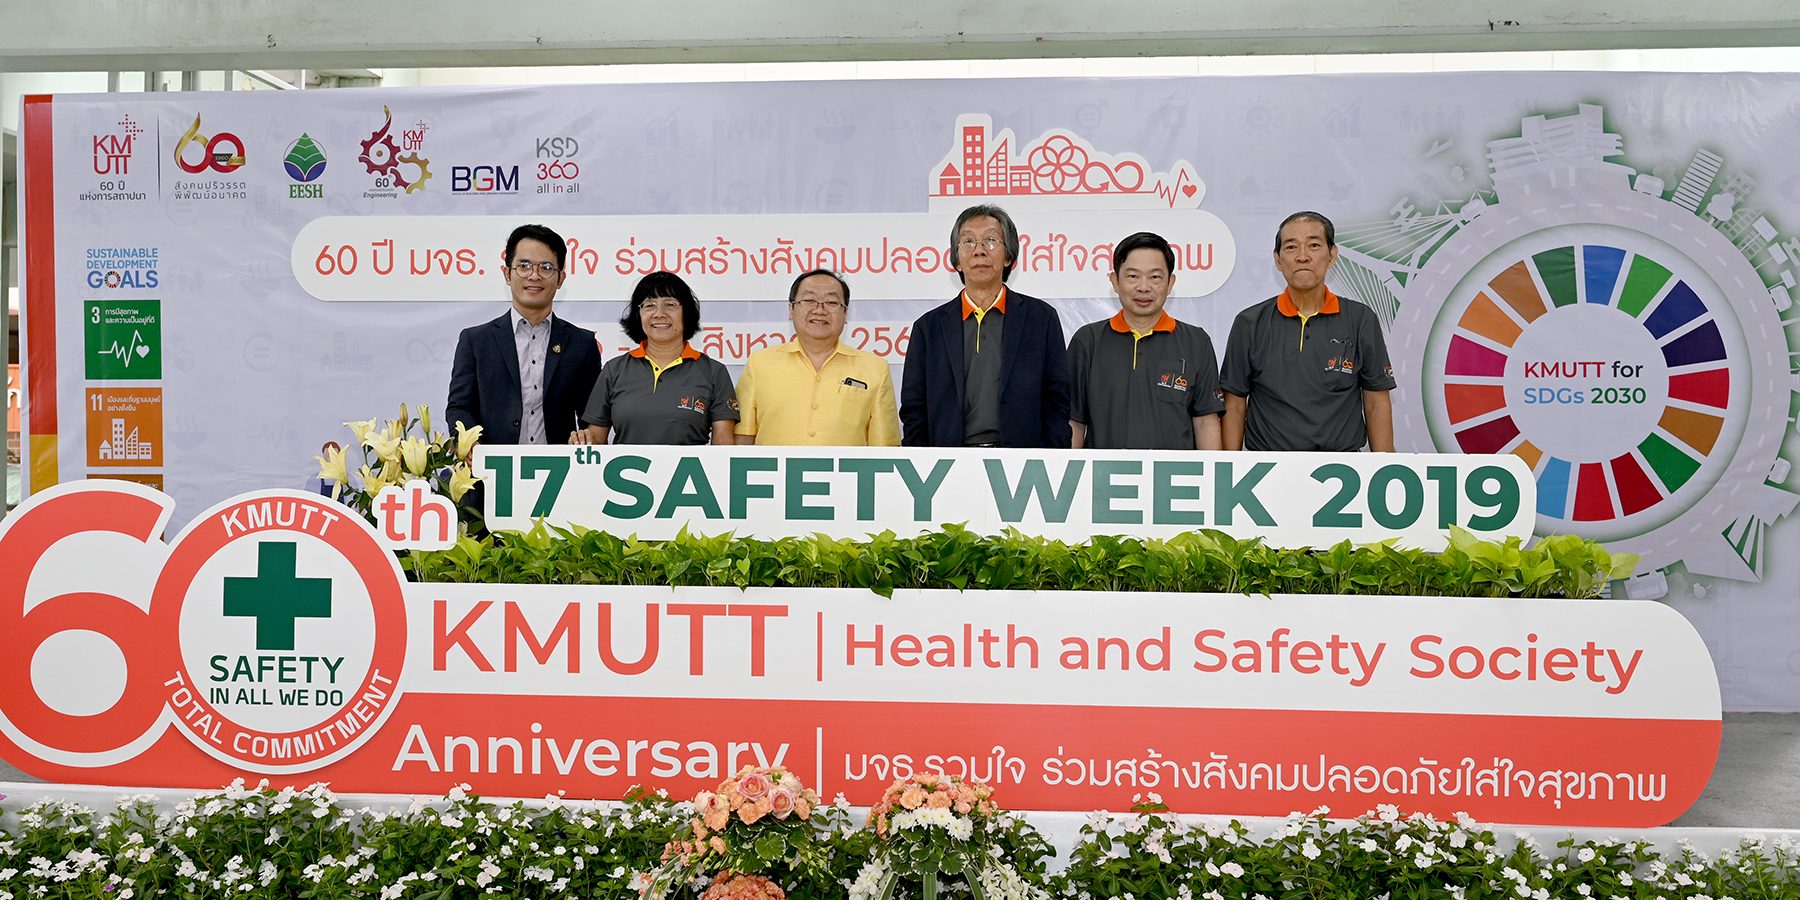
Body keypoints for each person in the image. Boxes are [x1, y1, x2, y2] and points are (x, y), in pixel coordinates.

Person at [1219, 211, 1395, 452]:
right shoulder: (1250, 323)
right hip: (1267, 466)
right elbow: (1235, 405)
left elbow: (1376, 403)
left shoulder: (1360, 319)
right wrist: (1230, 466)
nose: (1302, 256)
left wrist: (1383, 465)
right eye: (1291, 247)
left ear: (1332, 255)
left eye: (1314, 245)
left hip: (1342, 466)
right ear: (1278, 259)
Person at [899, 204, 1071, 448]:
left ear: (1009, 256)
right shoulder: (929, 328)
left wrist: (1048, 459)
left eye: (990, 240)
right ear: (957, 260)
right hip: (948, 461)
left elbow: (1057, 401)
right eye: (968, 241)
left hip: (1022, 460)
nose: (979, 251)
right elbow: (914, 409)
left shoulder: (1040, 319)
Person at [446, 223, 602, 447]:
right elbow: (459, 408)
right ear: (507, 274)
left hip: (559, 467)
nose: (534, 276)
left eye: (546, 267)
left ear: (560, 278)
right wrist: (468, 443)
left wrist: (587, 438)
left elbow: (592, 417)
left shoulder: (582, 343)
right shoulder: (476, 341)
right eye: (524, 266)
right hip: (493, 466)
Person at [1067, 232, 1223, 450]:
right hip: (1102, 472)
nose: (1143, 287)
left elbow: (1205, 422)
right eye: (1132, 276)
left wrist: (1213, 470)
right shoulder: (1088, 341)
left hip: (1174, 472)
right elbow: (1074, 422)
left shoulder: (1196, 342)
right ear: (1115, 281)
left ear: (1170, 283)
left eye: (1155, 277)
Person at [734, 268, 900, 446]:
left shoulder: (875, 369)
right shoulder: (760, 364)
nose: (820, 310)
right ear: (791, 309)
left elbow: (885, 449)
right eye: (809, 300)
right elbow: (741, 441)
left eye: (831, 302)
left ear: (845, 313)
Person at [570, 272, 738, 446]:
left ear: (686, 312)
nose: (659, 314)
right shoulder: (614, 370)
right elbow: (596, 440)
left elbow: (723, 445)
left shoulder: (713, 372)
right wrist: (582, 441)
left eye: (670, 304)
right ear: (639, 314)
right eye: (649, 305)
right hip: (627, 465)